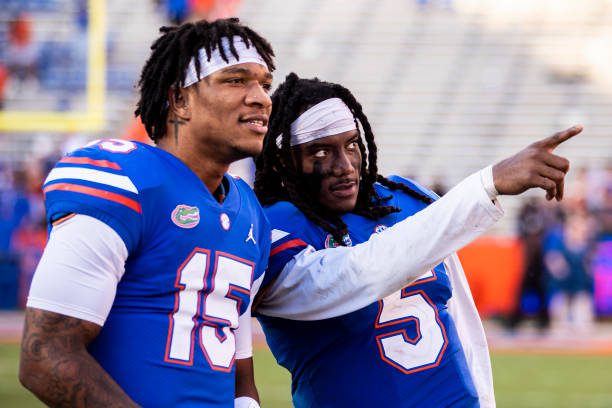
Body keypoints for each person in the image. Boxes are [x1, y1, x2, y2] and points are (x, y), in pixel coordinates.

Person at [252, 74, 582, 407]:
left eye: (351, 145)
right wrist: (484, 185)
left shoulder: (404, 199)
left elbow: (461, 321)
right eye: (321, 152)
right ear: (285, 161)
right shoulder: (274, 227)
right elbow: (358, 275)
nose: (345, 166)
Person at [19, 18, 275, 407]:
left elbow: (238, 372)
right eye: (236, 80)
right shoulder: (125, 181)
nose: (261, 97)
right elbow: (45, 357)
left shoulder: (249, 211)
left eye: (264, 84)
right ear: (180, 101)